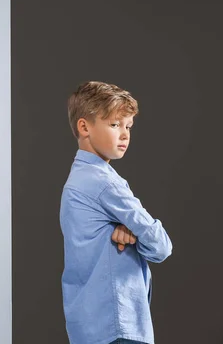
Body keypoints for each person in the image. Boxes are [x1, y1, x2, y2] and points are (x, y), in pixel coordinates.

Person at [59, 81, 173, 344]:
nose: (124, 134)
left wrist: (130, 229)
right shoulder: (105, 183)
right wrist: (137, 231)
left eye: (128, 126)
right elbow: (161, 245)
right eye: (114, 124)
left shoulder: (77, 180)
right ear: (84, 127)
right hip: (118, 325)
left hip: (88, 326)